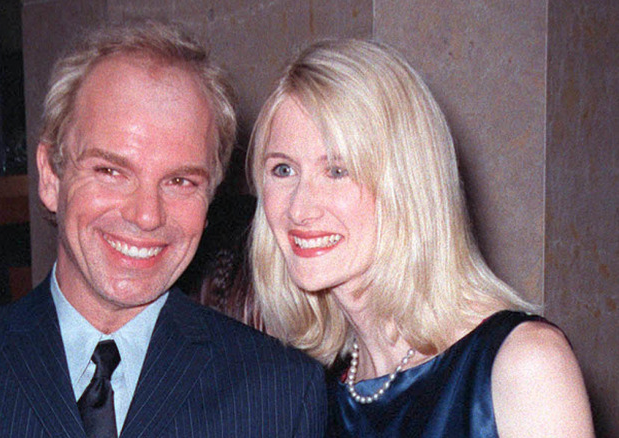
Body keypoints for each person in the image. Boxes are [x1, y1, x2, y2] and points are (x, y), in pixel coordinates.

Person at [0, 22, 327, 438]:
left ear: (211, 198)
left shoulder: (280, 396)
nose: (147, 215)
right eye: (112, 171)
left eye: (180, 181)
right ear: (51, 177)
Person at [247, 39, 594, 437]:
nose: (299, 209)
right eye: (283, 170)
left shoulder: (526, 364)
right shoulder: (307, 389)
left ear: (408, 185)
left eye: (338, 171)